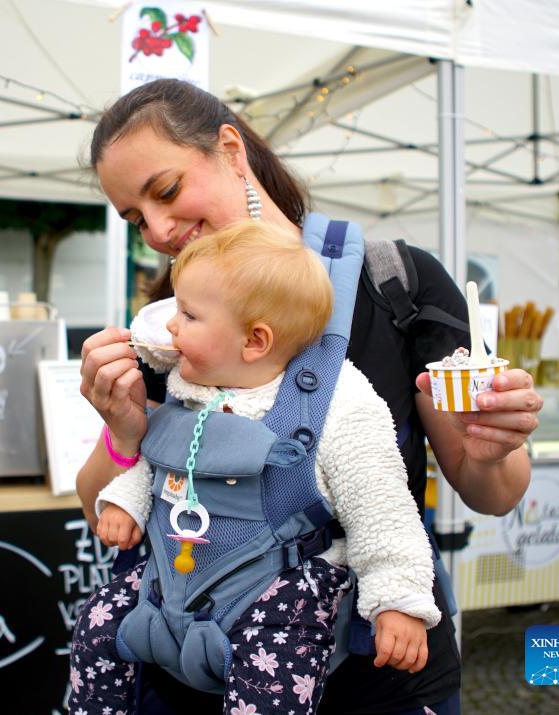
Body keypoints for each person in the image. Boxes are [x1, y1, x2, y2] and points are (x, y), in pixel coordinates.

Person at [76, 79, 542, 715]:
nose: (157, 229)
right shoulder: (172, 326)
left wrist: (493, 447)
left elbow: (493, 493)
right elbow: (103, 510)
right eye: (135, 218)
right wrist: (123, 431)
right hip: (202, 673)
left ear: (230, 150)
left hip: (384, 676)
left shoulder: (396, 284)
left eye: (167, 190)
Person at [70, 221, 440, 715]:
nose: (172, 327)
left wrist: (398, 601)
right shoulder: (191, 385)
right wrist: (125, 501)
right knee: (97, 622)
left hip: (278, 591)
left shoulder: (337, 404)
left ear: (254, 340)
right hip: (175, 579)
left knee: (273, 681)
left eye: (188, 315)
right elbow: (167, 461)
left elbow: (383, 511)